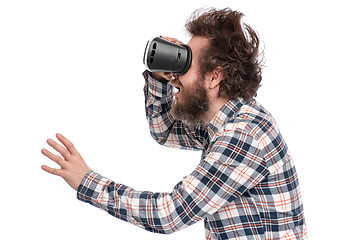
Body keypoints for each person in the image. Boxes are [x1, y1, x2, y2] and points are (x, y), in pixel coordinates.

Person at [41, 8, 307, 240]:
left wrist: (87, 182)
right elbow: (165, 131)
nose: (175, 76)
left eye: (185, 65)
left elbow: (169, 213)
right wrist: (158, 78)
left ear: (215, 77)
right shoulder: (227, 120)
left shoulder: (243, 135)